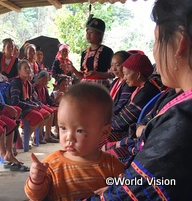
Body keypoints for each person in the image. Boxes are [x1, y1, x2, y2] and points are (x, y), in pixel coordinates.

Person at [81, 0, 192, 200]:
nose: (155, 52)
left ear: (179, 43)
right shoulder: (172, 98)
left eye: (157, 40)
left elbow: (138, 190)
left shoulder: (182, 119)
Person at [24, 82, 124, 201]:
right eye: (63, 128)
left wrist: (114, 191)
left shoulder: (113, 166)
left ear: (104, 133)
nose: (69, 137)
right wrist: (36, 180)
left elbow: (126, 190)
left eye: (80, 130)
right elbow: (35, 196)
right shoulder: (51, 164)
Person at [100, 53, 161, 161]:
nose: (125, 78)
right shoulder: (141, 88)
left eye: (127, 74)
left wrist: (105, 127)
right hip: (129, 130)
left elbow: (125, 120)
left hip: (132, 136)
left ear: (138, 75)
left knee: (98, 140)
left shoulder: (146, 92)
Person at [6, 60, 52, 145]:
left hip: (26, 106)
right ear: (19, 71)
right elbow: (15, 102)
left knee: (46, 114)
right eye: (25, 68)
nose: (28, 70)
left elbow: (28, 99)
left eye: (29, 68)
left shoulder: (28, 84)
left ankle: (32, 136)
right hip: (18, 109)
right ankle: (25, 139)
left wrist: (35, 104)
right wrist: (30, 106)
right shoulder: (16, 83)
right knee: (38, 116)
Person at [70, 16, 114, 87]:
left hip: (101, 87)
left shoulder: (106, 51)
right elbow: (82, 77)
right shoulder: (84, 53)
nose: (88, 35)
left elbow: (112, 74)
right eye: (87, 32)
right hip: (86, 87)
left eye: (91, 32)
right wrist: (73, 69)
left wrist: (96, 73)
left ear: (100, 35)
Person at [33, 70, 59, 142]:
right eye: (43, 80)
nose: (45, 82)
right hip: (37, 106)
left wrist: (56, 105)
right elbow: (36, 101)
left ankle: (48, 135)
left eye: (46, 80)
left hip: (43, 106)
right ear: (38, 78)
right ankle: (39, 135)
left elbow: (49, 101)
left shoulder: (44, 89)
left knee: (54, 110)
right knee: (49, 112)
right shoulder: (34, 88)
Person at [109, 51, 136, 115]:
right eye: (112, 65)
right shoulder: (115, 82)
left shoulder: (128, 84)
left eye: (117, 65)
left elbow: (120, 107)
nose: (114, 69)